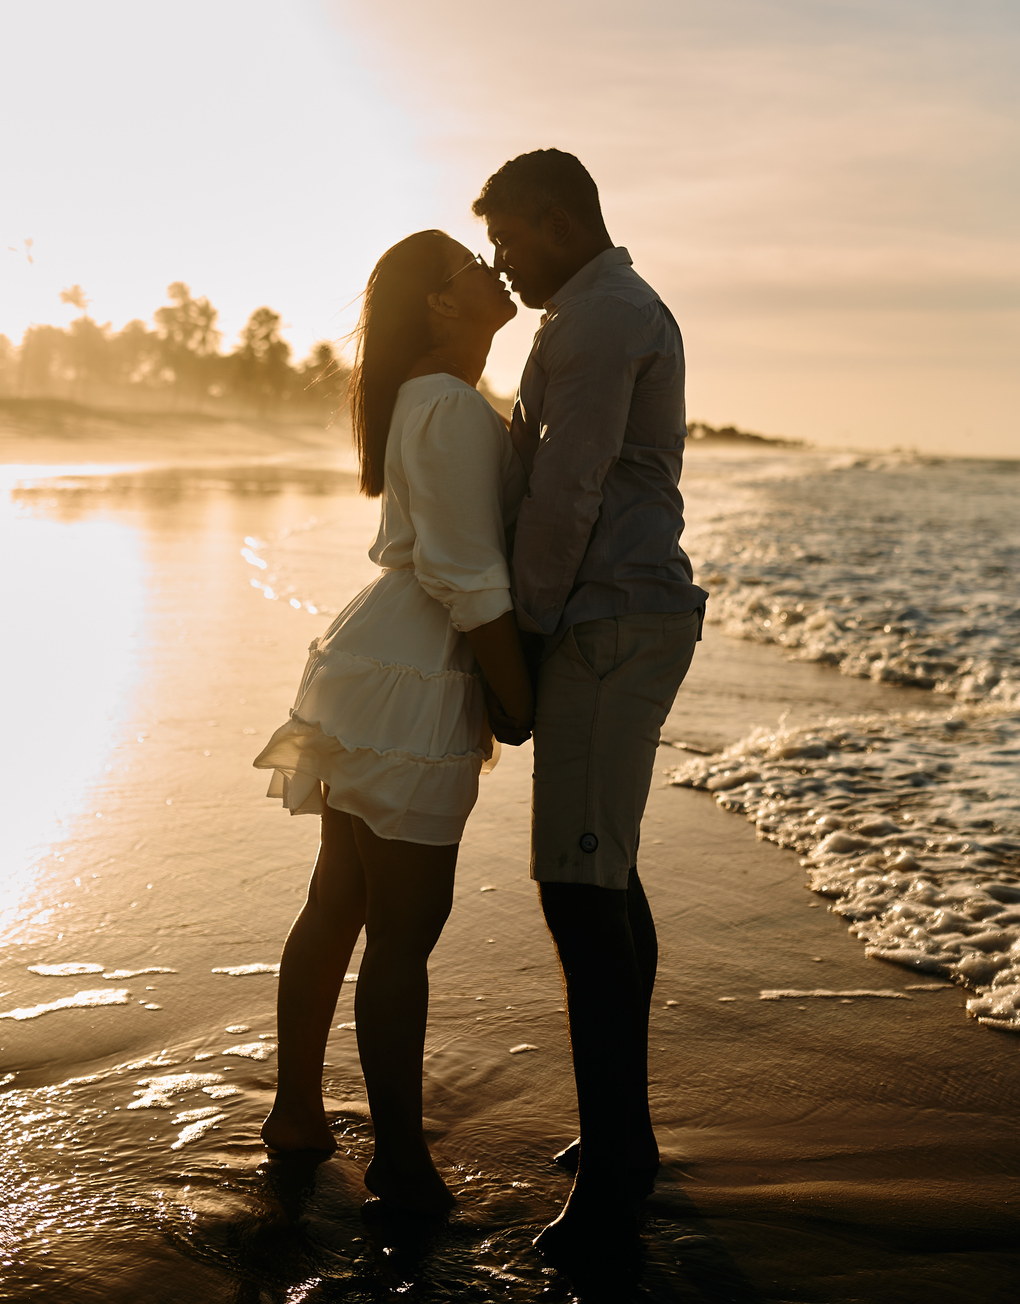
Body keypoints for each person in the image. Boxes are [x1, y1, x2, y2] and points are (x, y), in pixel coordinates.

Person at [252, 229, 534, 1213]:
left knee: (340, 897)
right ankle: (401, 1160)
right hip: (418, 671)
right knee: (402, 932)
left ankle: (297, 1110)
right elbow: (467, 574)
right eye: (467, 268)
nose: (490, 273)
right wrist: (517, 697)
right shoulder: (450, 407)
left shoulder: (432, 397)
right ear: (440, 305)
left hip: (378, 655)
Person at [472, 149, 706, 1261]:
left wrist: (521, 625)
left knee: (576, 890)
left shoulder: (605, 316)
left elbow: (571, 485)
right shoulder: (588, 310)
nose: (499, 261)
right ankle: (627, 1140)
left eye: (510, 238)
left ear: (561, 222)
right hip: (610, 612)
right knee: (603, 870)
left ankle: (617, 1176)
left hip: (607, 619)